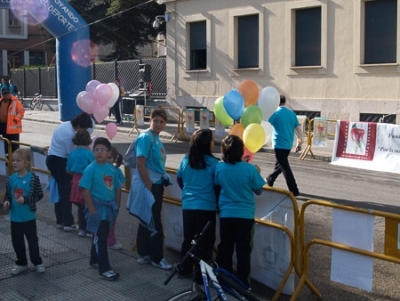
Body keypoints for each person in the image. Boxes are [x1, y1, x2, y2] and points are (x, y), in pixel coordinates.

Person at [214, 135, 265, 288]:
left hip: (226, 214)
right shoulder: (250, 169)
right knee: (243, 251)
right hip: (245, 215)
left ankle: (224, 279)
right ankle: (243, 284)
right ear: (241, 150)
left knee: (225, 248)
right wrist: (257, 172)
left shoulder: (220, 167)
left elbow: (217, 184)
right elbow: (259, 190)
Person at [126, 106, 172, 270]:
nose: (158, 124)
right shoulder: (146, 137)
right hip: (150, 186)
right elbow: (140, 163)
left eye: (161, 121)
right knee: (155, 222)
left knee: (147, 218)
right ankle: (157, 257)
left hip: (155, 184)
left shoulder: (155, 138)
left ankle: (143, 253)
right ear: (150, 121)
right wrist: (150, 186)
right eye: (155, 121)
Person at [176, 129, 219, 280]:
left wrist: (189, 193)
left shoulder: (186, 160)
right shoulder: (214, 163)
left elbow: (180, 180)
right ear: (208, 144)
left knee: (189, 240)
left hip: (188, 206)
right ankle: (201, 277)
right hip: (207, 207)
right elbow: (217, 185)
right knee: (205, 243)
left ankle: (184, 268)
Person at [80, 137, 122, 281]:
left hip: (108, 208)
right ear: (93, 151)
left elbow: (117, 187)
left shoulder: (112, 169)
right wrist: (91, 209)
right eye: (97, 149)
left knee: (100, 236)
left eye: (103, 150)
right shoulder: (91, 168)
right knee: (101, 238)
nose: (99, 153)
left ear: (108, 152)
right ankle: (105, 269)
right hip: (97, 208)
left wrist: (117, 204)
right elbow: (85, 190)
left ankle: (95, 260)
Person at [1, 148, 45, 275]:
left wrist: (25, 199)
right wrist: (6, 202)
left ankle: (37, 262)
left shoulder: (33, 179)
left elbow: (39, 195)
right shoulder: (11, 179)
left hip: (29, 217)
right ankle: (21, 262)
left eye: (18, 160)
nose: (14, 163)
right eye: (13, 160)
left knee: (33, 241)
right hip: (15, 218)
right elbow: (8, 195)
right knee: (17, 242)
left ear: (26, 163)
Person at [46, 112, 92, 232]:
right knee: (65, 192)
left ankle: (60, 221)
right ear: (79, 126)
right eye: (84, 129)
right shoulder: (69, 134)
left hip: (52, 158)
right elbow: (70, 154)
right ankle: (68, 222)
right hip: (58, 161)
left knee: (60, 191)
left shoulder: (66, 124)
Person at [265, 95, 304, 196]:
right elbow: (298, 129)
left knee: (285, 167)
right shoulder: (292, 114)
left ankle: (294, 189)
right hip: (288, 144)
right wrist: (300, 143)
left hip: (278, 144)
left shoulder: (275, 113)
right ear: (284, 102)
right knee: (280, 165)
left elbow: (267, 125)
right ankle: (270, 179)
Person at [66, 130, 95, 237]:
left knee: (80, 207)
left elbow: (68, 169)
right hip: (86, 181)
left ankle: (82, 229)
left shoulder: (72, 153)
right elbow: (93, 168)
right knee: (89, 206)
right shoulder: (89, 153)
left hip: (75, 181)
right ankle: (89, 229)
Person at [107, 146, 126, 250]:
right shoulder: (97, 168)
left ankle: (111, 240)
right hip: (102, 201)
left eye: (109, 158)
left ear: (114, 159)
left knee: (112, 221)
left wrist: (118, 203)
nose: (107, 160)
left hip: (113, 200)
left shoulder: (116, 171)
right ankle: (105, 239)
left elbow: (121, 184)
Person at [0, 86, 25, 155]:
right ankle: (7, 161)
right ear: (2, 94)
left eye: (8, 93)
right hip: (3, 127)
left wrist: (16, 119)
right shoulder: (1, 101)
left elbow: (21, 111)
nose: (6, 95)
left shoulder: (15, 101)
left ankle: (14, 161)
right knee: (5, 146)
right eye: (5, 93)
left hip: (13, 129)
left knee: (14, 148)